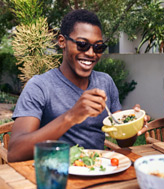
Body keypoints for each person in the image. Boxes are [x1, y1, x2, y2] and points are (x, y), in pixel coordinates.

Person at [8, 9, 145, 162]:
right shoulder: (40, 86)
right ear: (62, 42)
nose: (91, 53)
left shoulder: (105, 82)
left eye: (98, 47)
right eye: (82, 44)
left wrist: (132, 126)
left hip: (97, 170)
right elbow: (15, 152)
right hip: (56, 174)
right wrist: (71, 116)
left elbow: (123, 141)